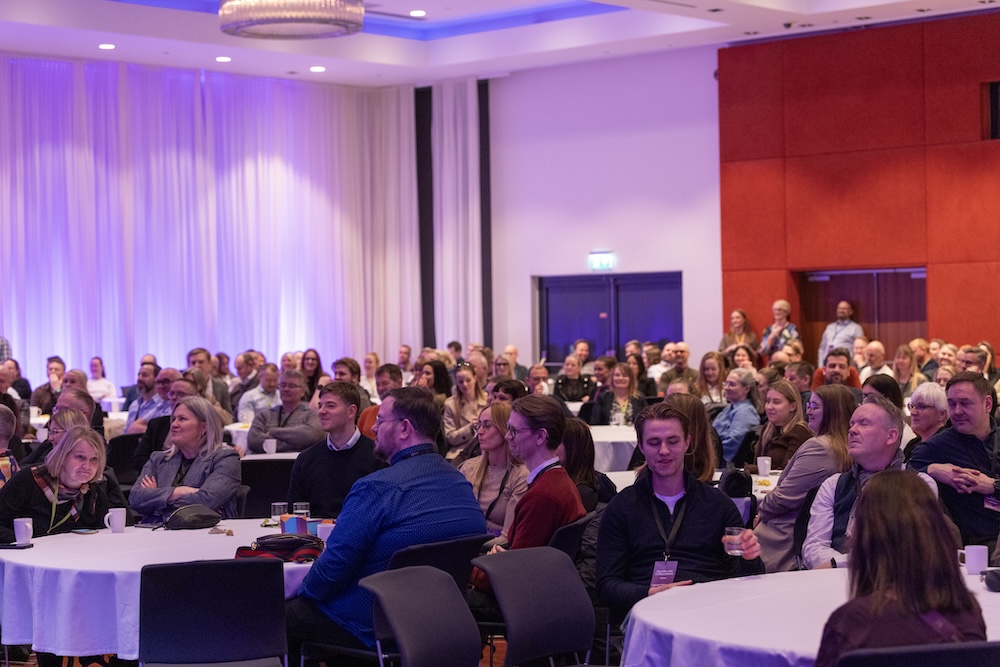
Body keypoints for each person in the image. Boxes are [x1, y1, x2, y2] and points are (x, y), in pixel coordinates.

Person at [286, 387, 486, 655]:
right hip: (442, 620)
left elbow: (331, 571)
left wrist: (299, 591)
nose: (373, 428)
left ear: (404, 428)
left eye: (380, 420)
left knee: (282, 613)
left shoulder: (376, 488)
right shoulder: (459, 483)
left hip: (373, 625)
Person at [596, 402, 764, 621]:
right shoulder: (622, 507)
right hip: (647, 612)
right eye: (654, 442)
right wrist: (649, 593)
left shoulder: (717, 505)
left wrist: (749, 558)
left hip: (710, 610)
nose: (664, 450)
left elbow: (746, 580)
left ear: (687, 442)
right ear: (641, 446)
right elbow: (606, 586)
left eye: (673, 441)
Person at [814, 470, 986, 667]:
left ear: (866, 538)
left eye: (856, 521)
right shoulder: (968, 613)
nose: (851, 530)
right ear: (937, 533)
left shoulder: (851, 623)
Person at [803, 395, 936, 569]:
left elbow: (910, 551)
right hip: (835, 580)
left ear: (891, 436)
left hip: (896, 581)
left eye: (864, 424)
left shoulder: (920, 485)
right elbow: (813, 546)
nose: (852, 430)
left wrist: (841, 563)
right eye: (851, 424)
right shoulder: (834, 485)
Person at [754, 384, 854, 572]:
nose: (808, 411)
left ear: (832, 412)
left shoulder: (819, 448)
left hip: (783, 540)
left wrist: (761, 511)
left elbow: (784, 498)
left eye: (815, 407)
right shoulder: (845, 447)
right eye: (809, 405)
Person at [908, 372, 1000, 548]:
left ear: (987, 404)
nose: (957, 411)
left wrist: (993, 486)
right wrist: (932, 469)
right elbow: (903, 478)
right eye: (952, 404)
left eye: (965, 403)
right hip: (971, 546)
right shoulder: (938, 446)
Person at [0, 426, 124, 543]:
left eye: (94, 459)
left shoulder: (94, 493)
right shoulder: (29, 480)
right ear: (63, 456)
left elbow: (103, 535)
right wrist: (23, 541)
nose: (87, 466)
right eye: (80, 457)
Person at [129, 396, 241, 523]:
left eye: (182, 419)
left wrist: (156, 502)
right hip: (155, 532)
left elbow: (204, 503)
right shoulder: (158, 459)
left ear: (204, 427)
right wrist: (178, 492)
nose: (174, 425)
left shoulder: (225, 459)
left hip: (207, 532)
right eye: (173, 419)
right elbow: (135, 498)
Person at [288, 382, 385, 519]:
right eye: (320, 406)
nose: (321, 411)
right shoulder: (306, 459)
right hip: (315, 531)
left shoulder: (378, 456)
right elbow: (294, 514)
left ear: (351, 411)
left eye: (330, 406)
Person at [459, 402, 528, 541]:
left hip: (495, 548)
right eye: (479, 425)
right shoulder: (468, 468)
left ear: (505, 430)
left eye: (487, 425)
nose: (480, 431)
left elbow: (507, 537)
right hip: (465, 540)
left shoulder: (520, 475)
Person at [247, 369, 324, 454]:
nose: (286, 389)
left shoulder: (311, 414)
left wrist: (273, 432)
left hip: (298, 461)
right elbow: (253, 441)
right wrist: (298, 444)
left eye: (292, 386)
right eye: (283, 385)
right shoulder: (264, 415)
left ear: (303, 391)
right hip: (265, 461)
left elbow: (311, 435)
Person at [747, 379, 812, 473]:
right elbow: (757, 465)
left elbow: (786, 471)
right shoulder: (767, 428)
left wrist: (751, 469)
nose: (769, 407)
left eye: (776, 402)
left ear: (793, 406)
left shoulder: (799, 431)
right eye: (767, 401)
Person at [558, 417, 617, 512]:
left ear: (573, 448)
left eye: (555, 443)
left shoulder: (582, 493)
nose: (548, 448)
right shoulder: (556, 480)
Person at [713, 368, 763, 464]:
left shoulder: (746, 412)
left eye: (732, 384)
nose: (726, 387)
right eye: (726, 383)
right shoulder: (729, 408)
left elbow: (732, 443)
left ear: (746, 389)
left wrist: (707, 456)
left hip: (723, 464)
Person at [443, 363, 488, 461]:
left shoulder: (487, 399)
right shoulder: (450, 404)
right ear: (456, 382)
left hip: (486, 449)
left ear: (475, 378)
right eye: (460, 381)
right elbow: (450, 437)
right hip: (461, 450)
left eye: (468, 380)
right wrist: (469, 428)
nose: (465, 384)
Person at [902, 382, 948, 461]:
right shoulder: (913, 444)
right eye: (912, 406)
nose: (913, 412)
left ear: (941, 414)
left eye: (921, 406)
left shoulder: (945, 447)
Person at [357, 364, 404, 439]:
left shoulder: (408, 413)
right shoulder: (367, 414)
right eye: (377, 384)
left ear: (399, 383)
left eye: (385, 383)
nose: (380, 388)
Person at [124, 361, 169, 433]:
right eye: (139, 375)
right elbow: (126, 432)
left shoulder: (163, 404)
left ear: (156, 379)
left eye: (145, 375)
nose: (139, 378)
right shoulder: (134, 405)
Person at [187, 347, 233, 415]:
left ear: (209, 364)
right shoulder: (183, 386)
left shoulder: (221, 386)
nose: (197, 366)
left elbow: (229, 415)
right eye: (193, 363)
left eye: (201, 362)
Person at [817, 301, 864, 366]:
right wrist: (820, 365)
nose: (841, 311)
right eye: (839, 308)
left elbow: (860, 349)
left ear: (851, 312)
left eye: (844, 309)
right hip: (828, 363)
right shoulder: (829, 327)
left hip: (845, 364)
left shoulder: (856, 328)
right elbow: (822, 348)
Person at [228, 352, 259, 418]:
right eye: (236, 368)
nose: (238, 372)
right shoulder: (237, 385)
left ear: (250, 365)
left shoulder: (259, 383)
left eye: (240, 368)